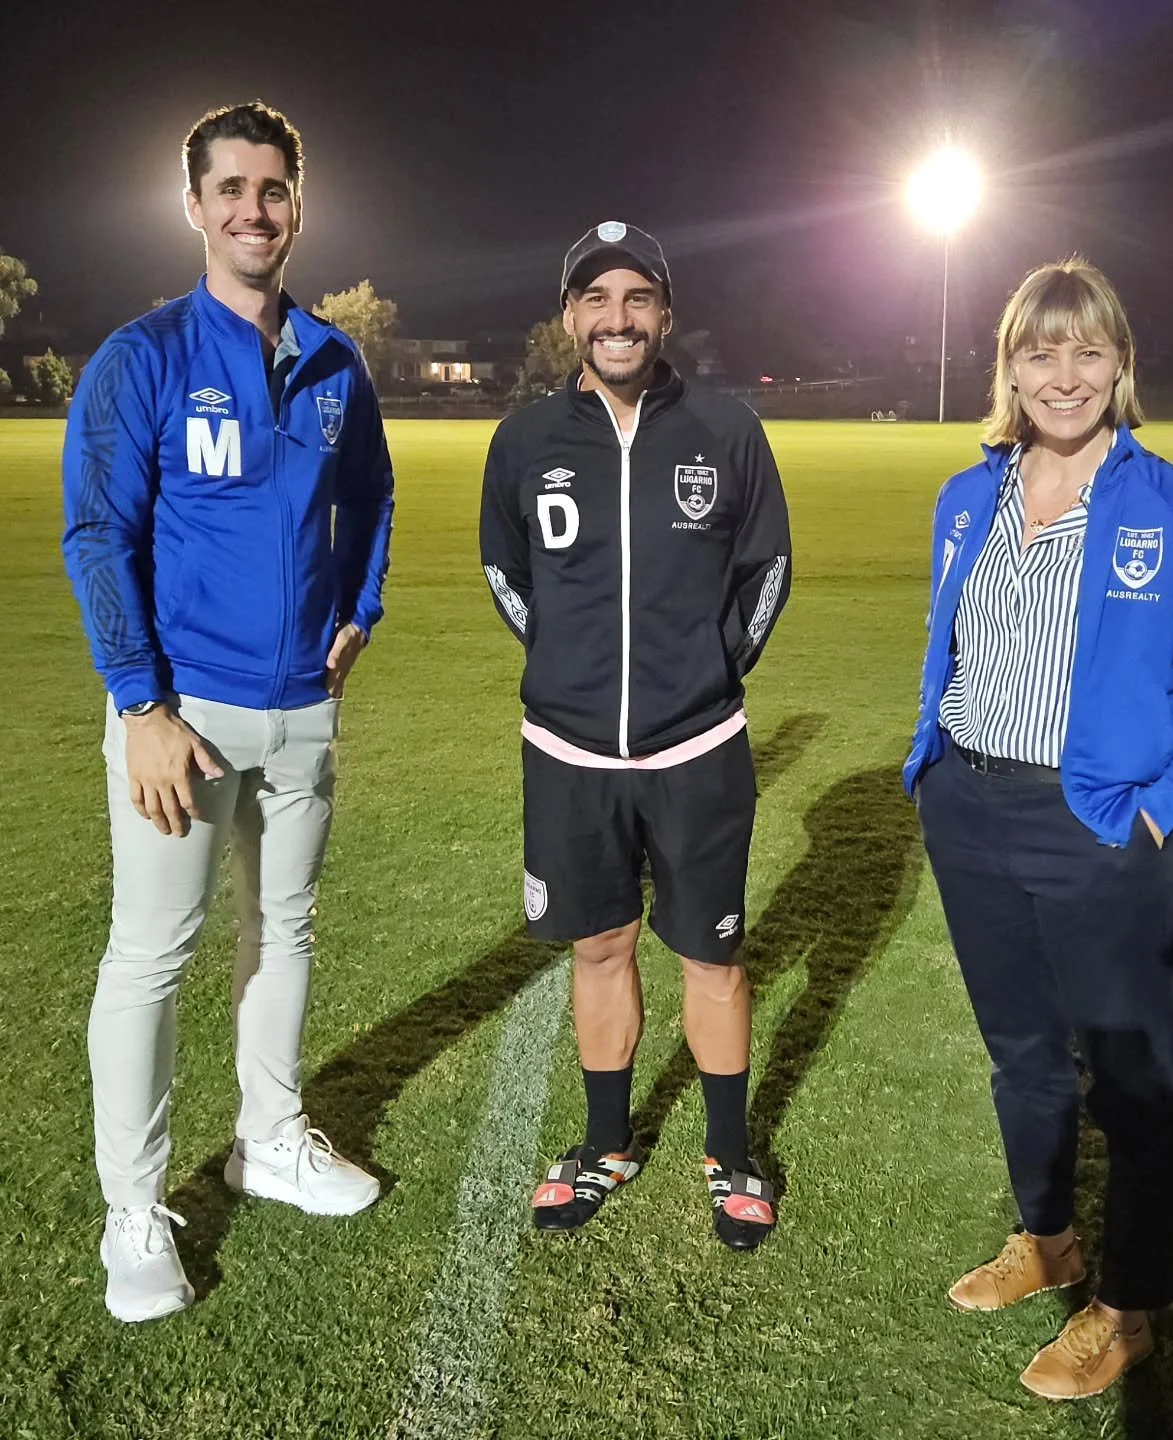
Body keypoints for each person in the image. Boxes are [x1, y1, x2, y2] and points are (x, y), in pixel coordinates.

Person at [903, 258, 1173, 1399]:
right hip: (969, 810)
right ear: (1007, 365)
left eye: (1086, 351)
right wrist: (933, 767)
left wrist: (1163, 807)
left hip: (1100, 831)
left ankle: (1124, 1311)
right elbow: (960, 648)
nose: (1061, 375)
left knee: (1133, 1089)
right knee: (1022, 1057)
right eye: (1038, 351)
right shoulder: (965, 495)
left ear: (1120, 363)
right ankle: (1048, 1242)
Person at [61, 100, 394, 1323]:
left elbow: (372, 488)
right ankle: (134, 1211)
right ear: (194, 206)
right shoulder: (142, 355)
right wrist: (140, 704)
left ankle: (270, 1140)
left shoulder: (330, 358)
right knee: (152, 957)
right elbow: (99, 535)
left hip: (302, 708)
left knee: (286, 930)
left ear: (296, 205)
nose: (254, 209)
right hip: (181, 718)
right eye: (232, 189)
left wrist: (360, 604)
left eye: (273, 189)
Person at [479, 222, 792, 1250]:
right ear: (569, 316)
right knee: (600, 943)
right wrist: (572, 668)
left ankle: (731, 1154)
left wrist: (704, 674)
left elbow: (766, 569)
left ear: (663, 312)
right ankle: (605, 1143)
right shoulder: (524, 439)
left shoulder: (726, 427)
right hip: (569, 752)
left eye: (636, 299)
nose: (616, 319)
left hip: (697, 748)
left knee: (712, 956)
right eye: (595, 300)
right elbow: (506, 573)